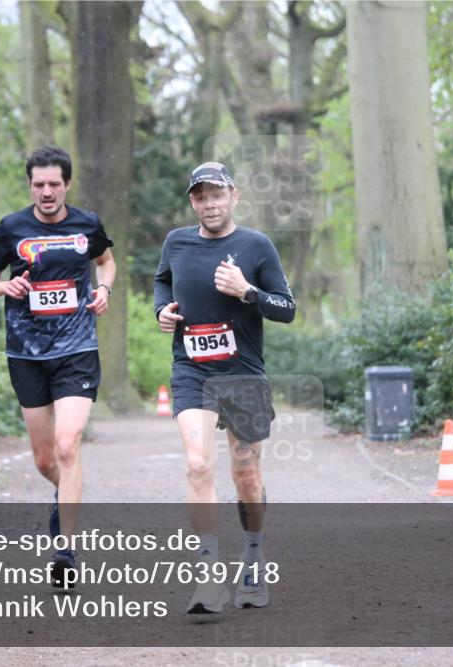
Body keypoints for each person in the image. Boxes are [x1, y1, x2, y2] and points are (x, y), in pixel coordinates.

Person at [154, 161, 296, 613]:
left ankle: (253, 557)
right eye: (201, 196)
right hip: (192, 371)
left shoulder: (256, 246)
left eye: (217, 195)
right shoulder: (176, 243)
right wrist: (162, 310)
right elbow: (162, 281)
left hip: (243, 374)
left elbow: (287, 308)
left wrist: (247, 291)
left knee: (246, 475)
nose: (209, 204)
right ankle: (209, 578)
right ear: (192, 201)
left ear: (233, 196)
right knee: (198, 465)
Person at [0, 145, 115, 586]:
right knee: (44, 459)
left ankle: (66, 551)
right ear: (30, 186)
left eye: (54, 183)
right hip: (26, 353)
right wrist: (5, 287)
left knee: (67, 446)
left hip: (76, 349)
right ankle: (67, 491)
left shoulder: (87, 224)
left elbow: (106, 262)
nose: (47, 192)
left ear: (67, 184)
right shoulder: (12, 228)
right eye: (39, 184)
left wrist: (104, 290)